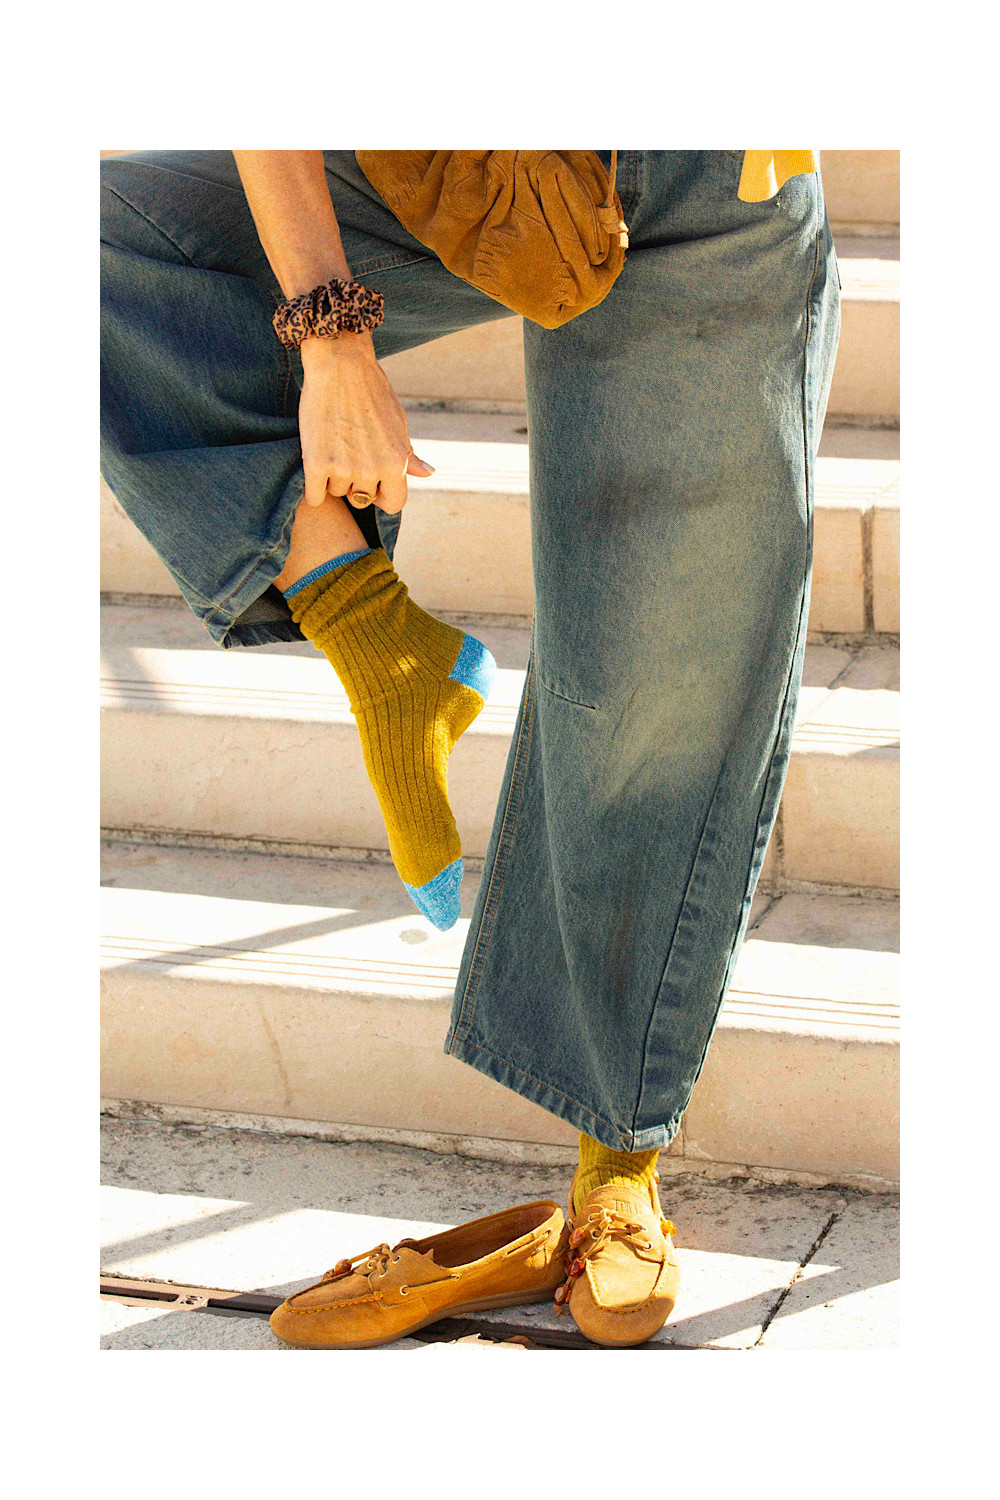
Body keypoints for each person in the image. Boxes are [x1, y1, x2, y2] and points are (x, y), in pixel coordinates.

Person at [100, 149, 839, 1347]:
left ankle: (614, 1163)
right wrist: (331, 337)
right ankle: (367, 623)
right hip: (457, 161)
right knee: (94, 240)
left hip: (709, 180)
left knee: (658, 678)